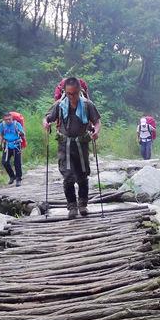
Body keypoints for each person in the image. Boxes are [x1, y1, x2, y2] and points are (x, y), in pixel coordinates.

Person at [43, 77, 102, 219]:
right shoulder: (60, 105)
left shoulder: (88, 105)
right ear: (65, 92)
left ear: (79, 91)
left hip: (82, 144)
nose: (72, 96)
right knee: (68, 176)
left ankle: (83, 204)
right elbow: (47, 118)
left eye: (75, 93)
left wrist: (96, 132)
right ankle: (72, 206)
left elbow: (97, 121)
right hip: (65, 145)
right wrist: (46, 123)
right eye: (69, 94)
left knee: (82, 175)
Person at [0, 112, 25, 187]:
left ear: (12, 119)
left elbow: (23, 134)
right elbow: (1, 135)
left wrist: (20, 133)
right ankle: (12, 176)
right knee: (5, 162)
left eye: (9, 119)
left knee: (17, 163)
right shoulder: (2, 125)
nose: (8, 121)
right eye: (6, 120)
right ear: (4, 120)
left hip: (16, 145)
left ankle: (18, 179)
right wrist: (0, 144)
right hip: (7, 145)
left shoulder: (17, 124)